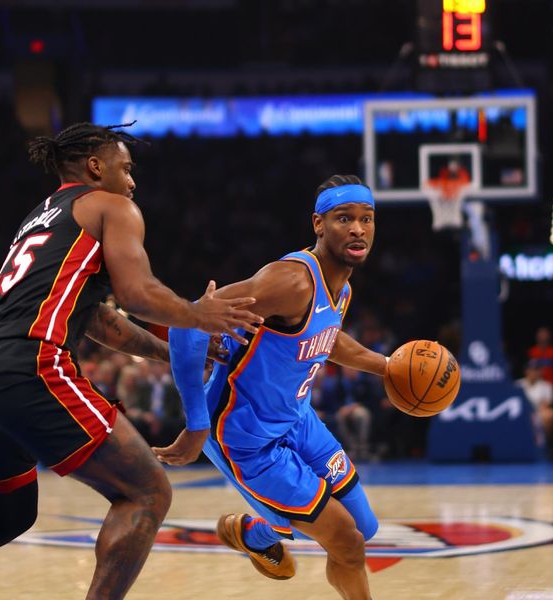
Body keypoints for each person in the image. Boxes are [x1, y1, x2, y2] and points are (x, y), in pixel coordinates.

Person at [0, 122, 261, 600]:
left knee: (8, 516)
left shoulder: (41, 217)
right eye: (127, 167)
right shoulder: (113, 206)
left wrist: (168, 351)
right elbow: (137, 293)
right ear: (96, 167)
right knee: (148, 491)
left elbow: (97, 320)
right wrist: (197, 316)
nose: (133, 181)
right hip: (29, 366)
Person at [155, 175, 386, 600]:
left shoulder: (343, 288)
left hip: (298, 420)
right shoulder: (290, 282)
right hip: (245, 437)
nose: (358, 229)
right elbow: (187, 323)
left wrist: (386, 367)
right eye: (344, 218)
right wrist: (196, 422)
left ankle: (254, 533)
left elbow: (325, 337)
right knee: (347, 541)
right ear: (318, 225)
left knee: (365, 528)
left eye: (366, 219)